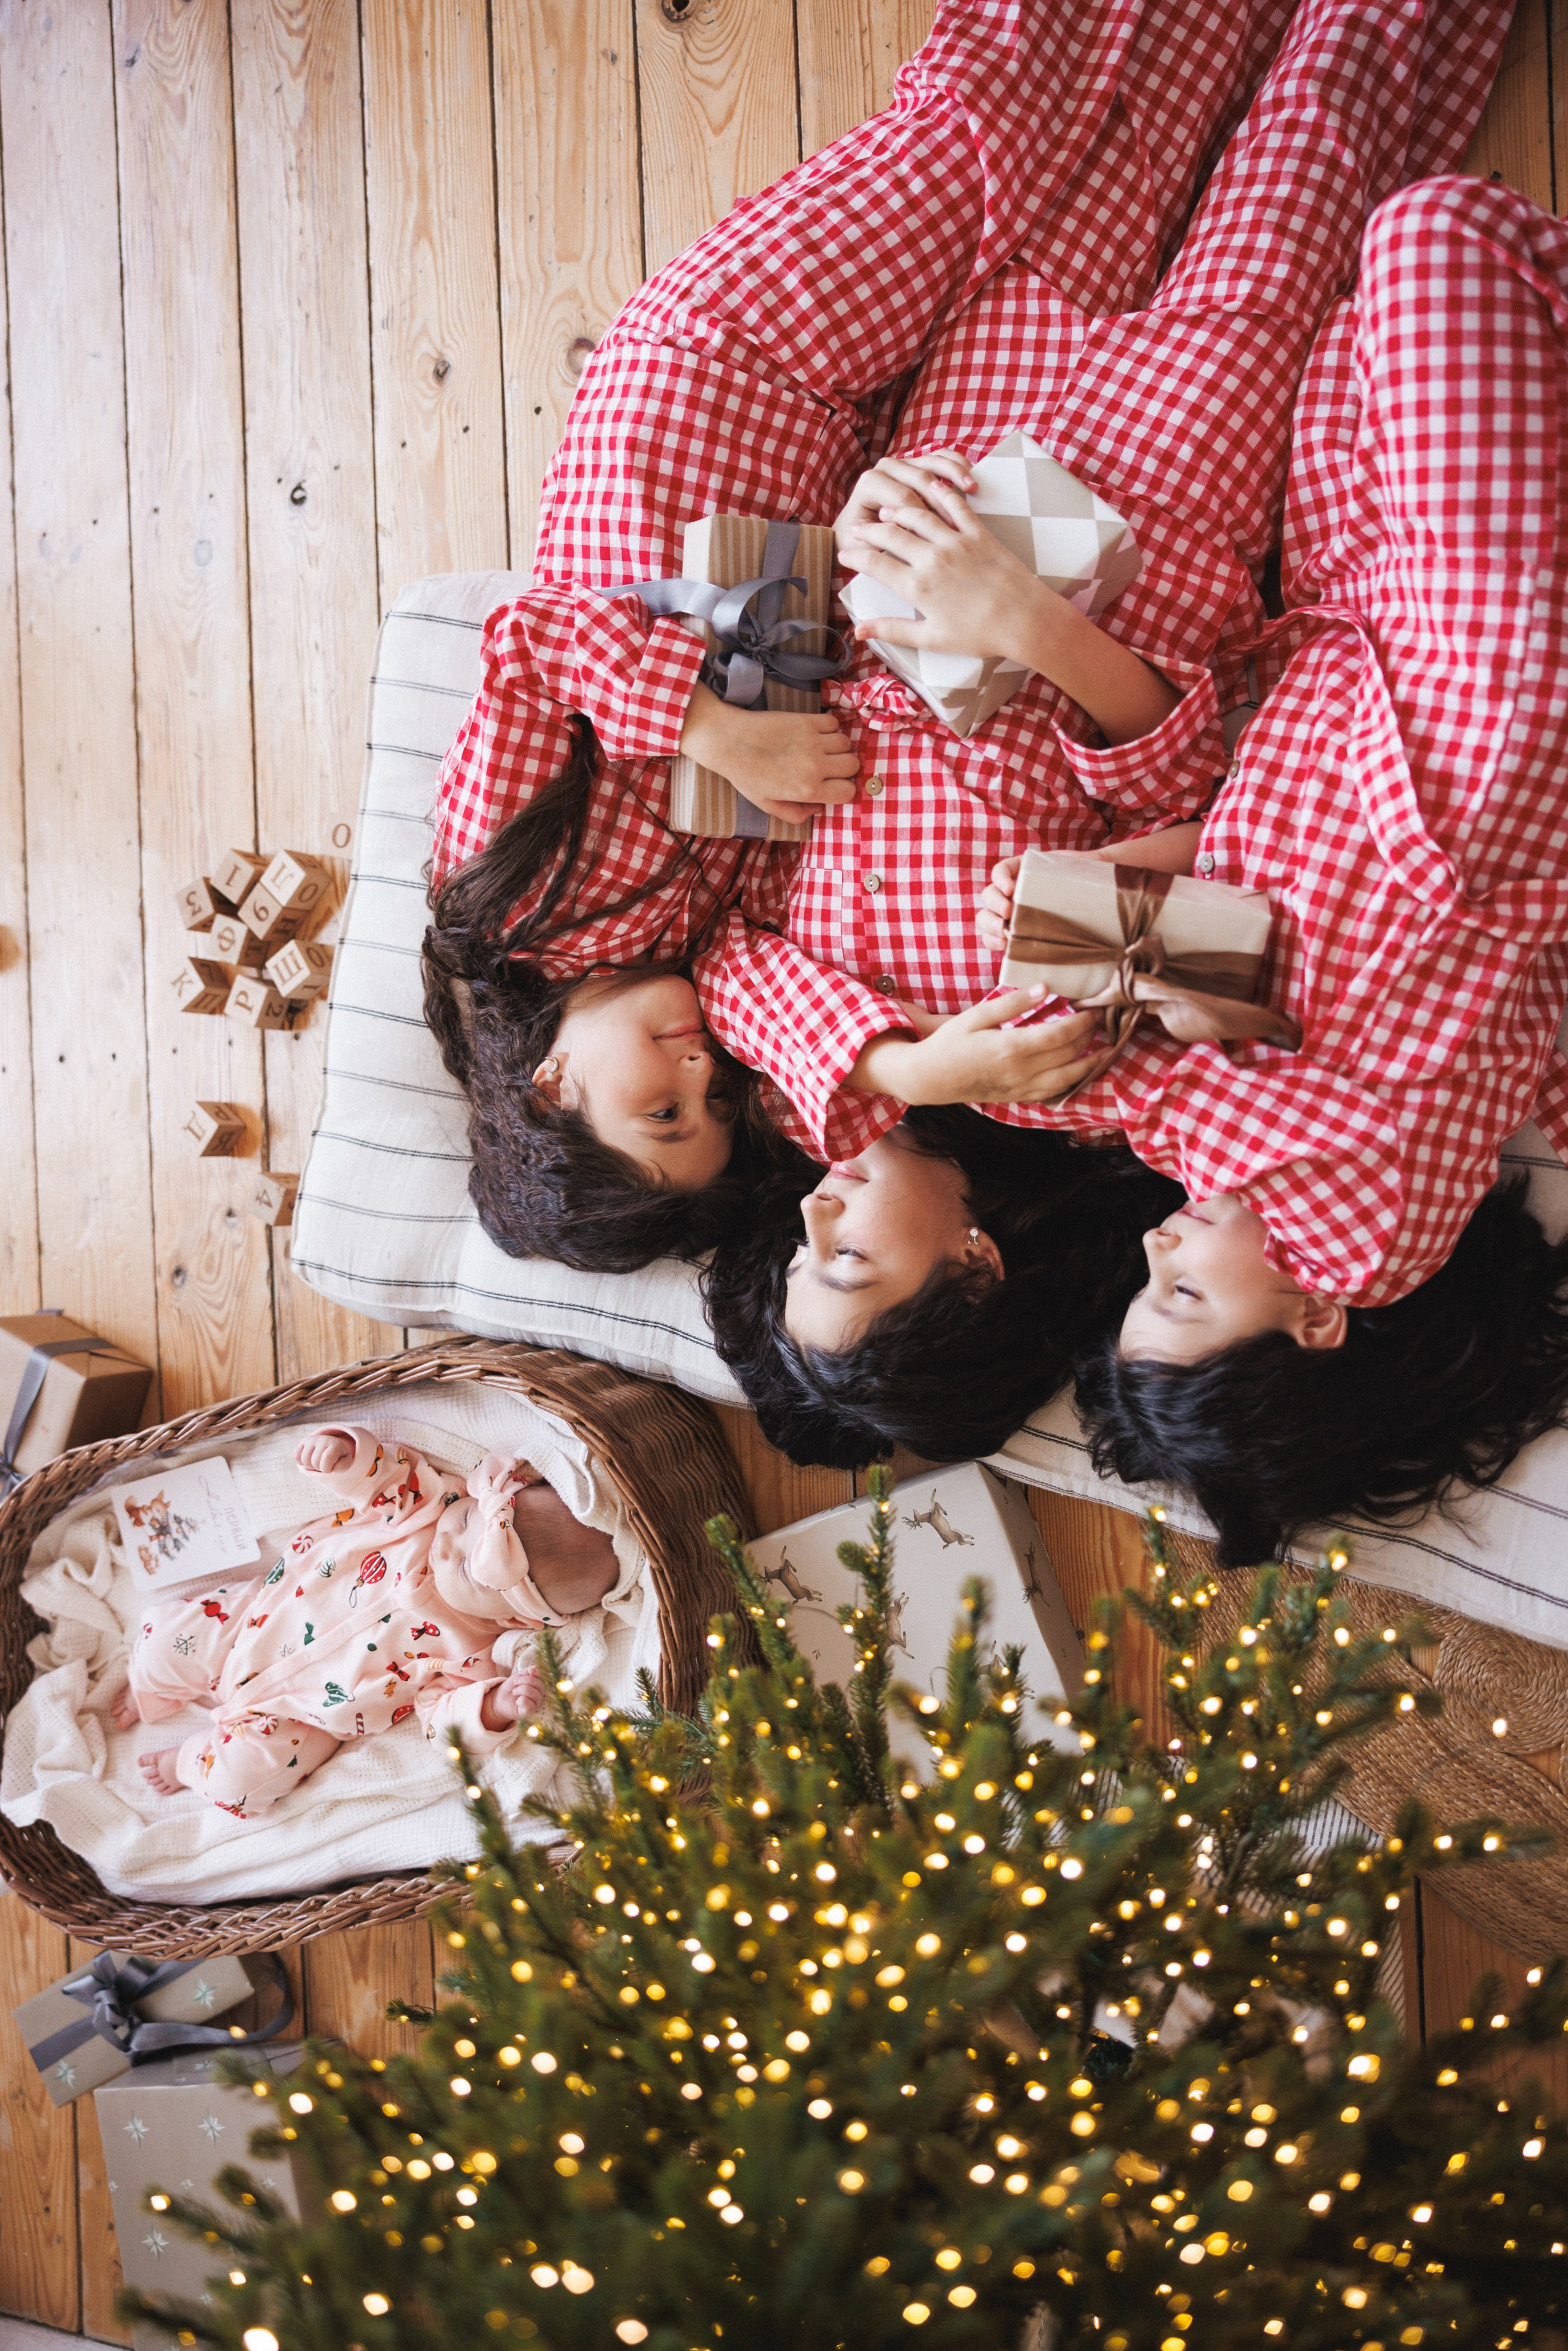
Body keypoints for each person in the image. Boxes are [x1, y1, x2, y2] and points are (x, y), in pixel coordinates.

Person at [423, 0, 1317, 1270]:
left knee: (994, 125)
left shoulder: (506, 896)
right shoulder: (698, 949)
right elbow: (781, 975)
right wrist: (917, 1061)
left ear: (552, 1082)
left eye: (662, 1109)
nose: (697, 1076)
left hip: (715, 382)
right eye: (711, 1111)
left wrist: (715, 730)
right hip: (863, 443)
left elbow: (532, 635)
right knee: (1112, 174)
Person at [112, 1427, 620, 1817]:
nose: (448, 1543)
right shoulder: (421, 1512)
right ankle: (149, 1690)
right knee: (163, 1640)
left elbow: (439, 1717)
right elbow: (385, 1476)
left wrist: (491, 1708)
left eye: (467, 1567)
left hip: (300, 1718)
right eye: (467, 1521)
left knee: (240, 1787)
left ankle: (187, 1760)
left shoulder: (473, 1652)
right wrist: (344, 1456)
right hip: (250, 1623)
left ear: (513, 1615)